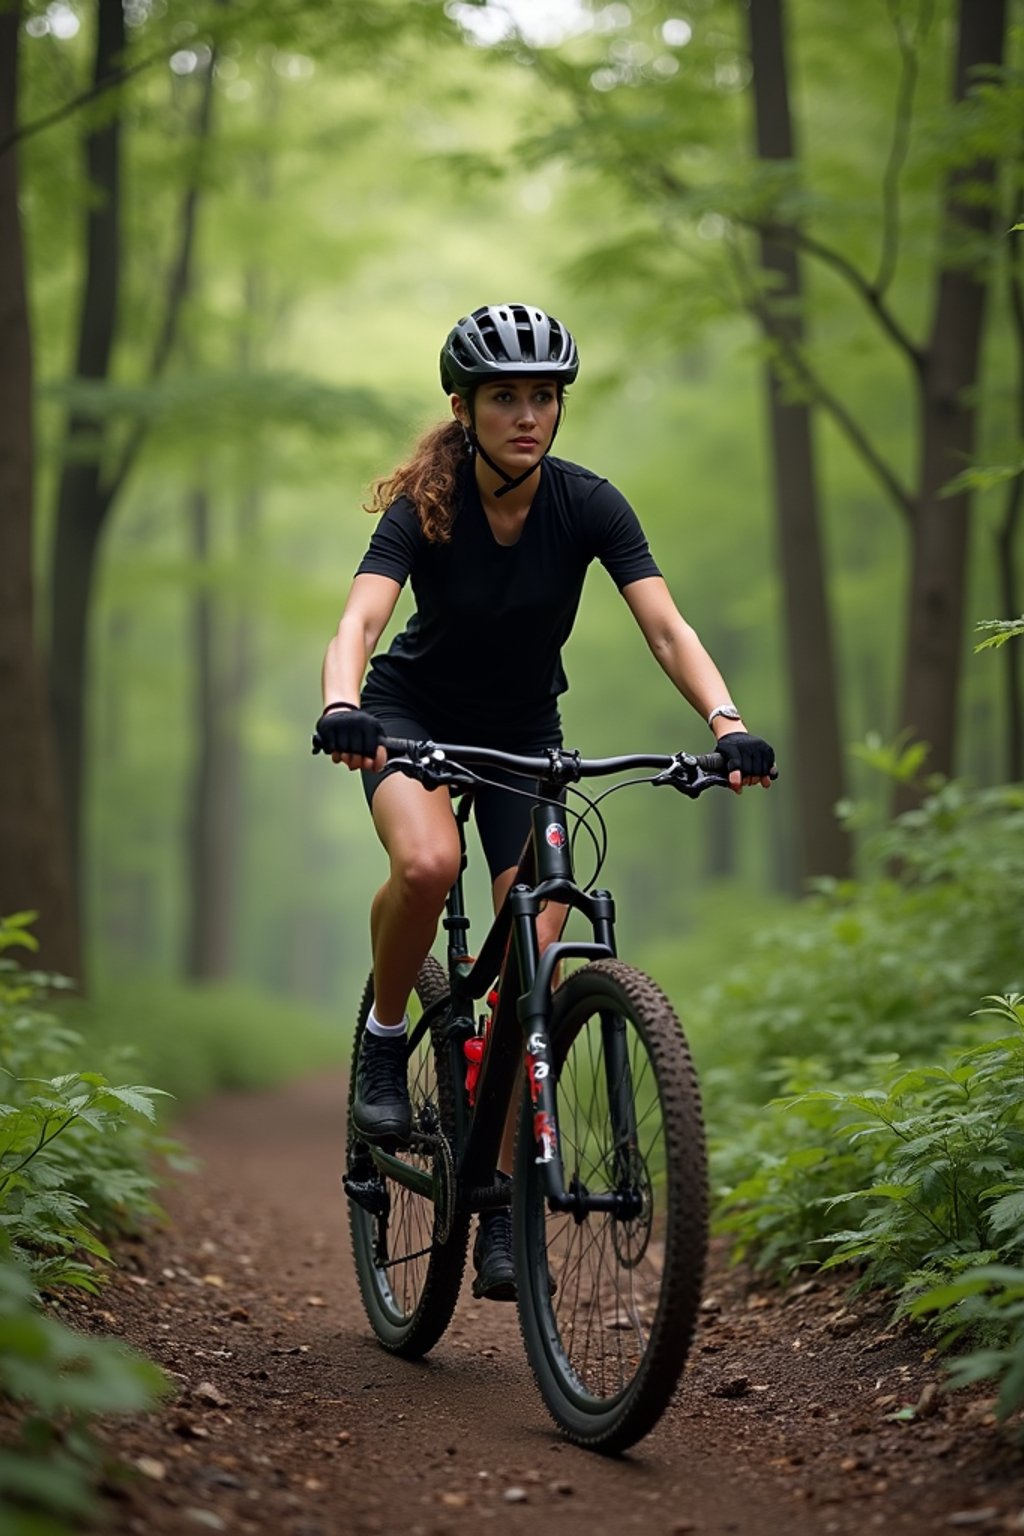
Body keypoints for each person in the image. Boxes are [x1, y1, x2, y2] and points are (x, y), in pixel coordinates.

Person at [317, 302, 774, 1301]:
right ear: (464, 407)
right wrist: (343, 704)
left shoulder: (587, 504)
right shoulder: (425, 508)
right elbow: (361, 616)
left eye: (543, 396)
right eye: (504, 397)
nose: (527, 414)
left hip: (524, 733)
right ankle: (389, 1042)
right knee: (429, 866)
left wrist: (726, 723)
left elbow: (664, 627)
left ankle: (496, 1195)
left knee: (534, 960)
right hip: (409, 717)